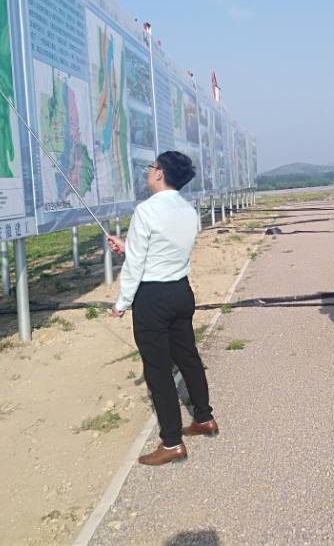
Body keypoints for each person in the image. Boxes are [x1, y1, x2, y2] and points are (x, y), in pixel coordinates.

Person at [108, 151, 217, 467]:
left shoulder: (146, 210)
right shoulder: (188, 210)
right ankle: (204, 418)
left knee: (157, 369)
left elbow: (136, 265)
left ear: (160, 173)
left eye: (151, 167)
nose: (148, 172)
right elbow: (164, 251)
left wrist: (122, 302)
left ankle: (171, 443)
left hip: (153, 297)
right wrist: (128, 247)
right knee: (188, 356)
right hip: (181, 291)